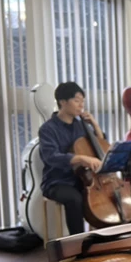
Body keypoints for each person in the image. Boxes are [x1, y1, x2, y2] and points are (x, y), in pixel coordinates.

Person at [38, 82, 104, 235]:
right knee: (75, 199)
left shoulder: (81, 126)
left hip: (82, 179)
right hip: (57, 181)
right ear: (62, 102)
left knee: (102, 196)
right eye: (77, 100)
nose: (81, 105)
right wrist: (81, 158)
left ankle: (105, 238)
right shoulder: (48, 129)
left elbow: (100, 146)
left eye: (83, 101)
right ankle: (78, 242)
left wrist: (94, 125)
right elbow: (51, 157)